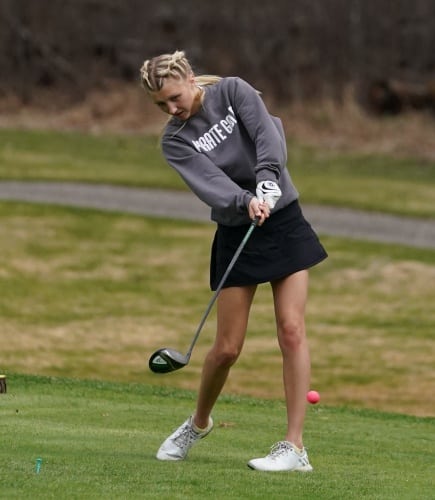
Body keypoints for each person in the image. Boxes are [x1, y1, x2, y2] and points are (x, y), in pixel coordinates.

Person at [140, 50, 327, 472]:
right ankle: (197, 423)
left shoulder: (233, 91)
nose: (171, 110)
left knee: (292, 329)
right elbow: (210, 184)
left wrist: (268, 180)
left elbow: (267, 136)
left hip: (283, 220)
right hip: (237, 229)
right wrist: (245, 201)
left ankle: (295, 447)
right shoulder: (175, 140)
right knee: (226, 348)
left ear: (189, 78)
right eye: (161, 105)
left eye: (174, 98)